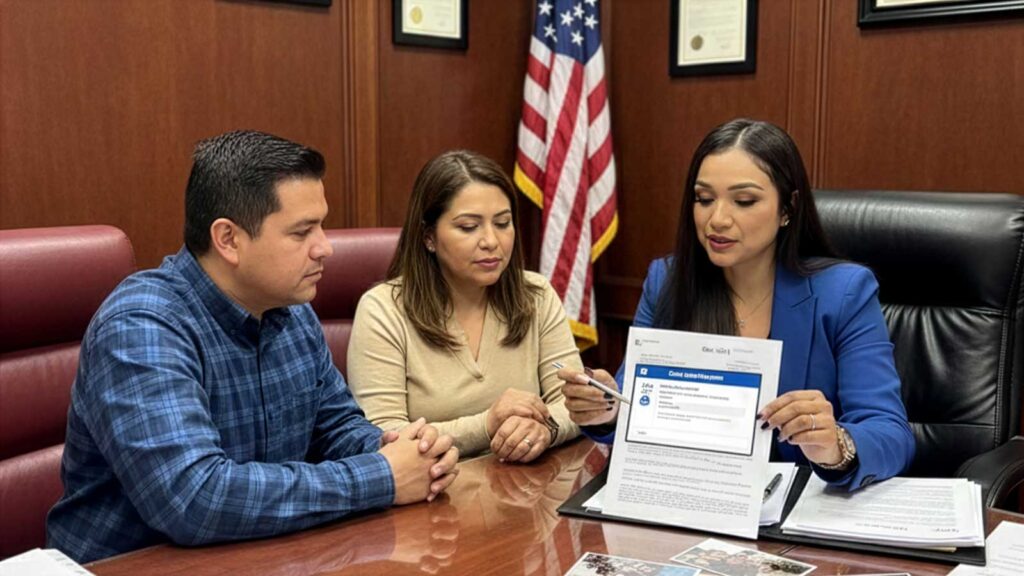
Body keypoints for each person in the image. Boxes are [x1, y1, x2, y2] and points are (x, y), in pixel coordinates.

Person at [46, 130, 460, 563]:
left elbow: (336, 429)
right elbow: (196, 499)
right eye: (302, 232)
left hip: (260, 556)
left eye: (321, 225)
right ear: (228, 239)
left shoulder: (290, 310)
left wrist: (406, 451)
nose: (326, 247)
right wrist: (383, 476)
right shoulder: (142, 325)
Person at [557, 119, 915, 489]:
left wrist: (837, 445)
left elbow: (890, 434)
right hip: (688, 499)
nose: (717, 219)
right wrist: (605, 409)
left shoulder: (843, 293)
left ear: (788, 209)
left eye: (744, 201)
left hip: (795, 514)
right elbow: (631, 406)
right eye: (704, 199)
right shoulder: (668, 281)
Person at [346, 150, 582, 462]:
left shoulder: (535, 294)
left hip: (525, 486)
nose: (491, 241)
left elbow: (571, 403)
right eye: (469, 227)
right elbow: (385, 438)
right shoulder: (383, 310)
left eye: (502, 223)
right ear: (429, 237)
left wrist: (546, 429)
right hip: (430, 493)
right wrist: (486, 425)